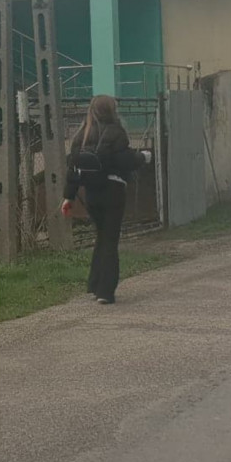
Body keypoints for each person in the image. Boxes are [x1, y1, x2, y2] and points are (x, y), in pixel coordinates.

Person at [60, 94, 140, 305]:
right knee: (110, 240)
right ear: (112, 110)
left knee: (101, 236)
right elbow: (125, 160)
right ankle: (105, 291)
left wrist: (68, 197)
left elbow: (73, 169)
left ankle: (95, 285)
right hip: (113, 191)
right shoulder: (116, 132)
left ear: (92, 111)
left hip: (92, 194)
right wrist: (142, 158)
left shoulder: (81, 136)